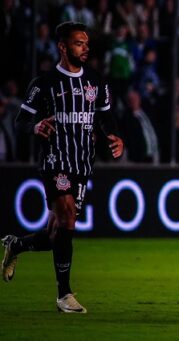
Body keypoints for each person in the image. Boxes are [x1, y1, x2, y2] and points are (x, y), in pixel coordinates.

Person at [2, 22, 124, 313]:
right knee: (68, 219)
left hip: (82, 162)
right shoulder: (44, 83)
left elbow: (106, 118)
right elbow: (20, 122)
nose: (85, 47)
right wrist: (36, 127)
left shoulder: (96, 82)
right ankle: (64, 294)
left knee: (57, 234)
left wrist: (115, 137)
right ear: (63, 46)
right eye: (79, 43)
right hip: (55, 160)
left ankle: (17, 245)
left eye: (86, 43)